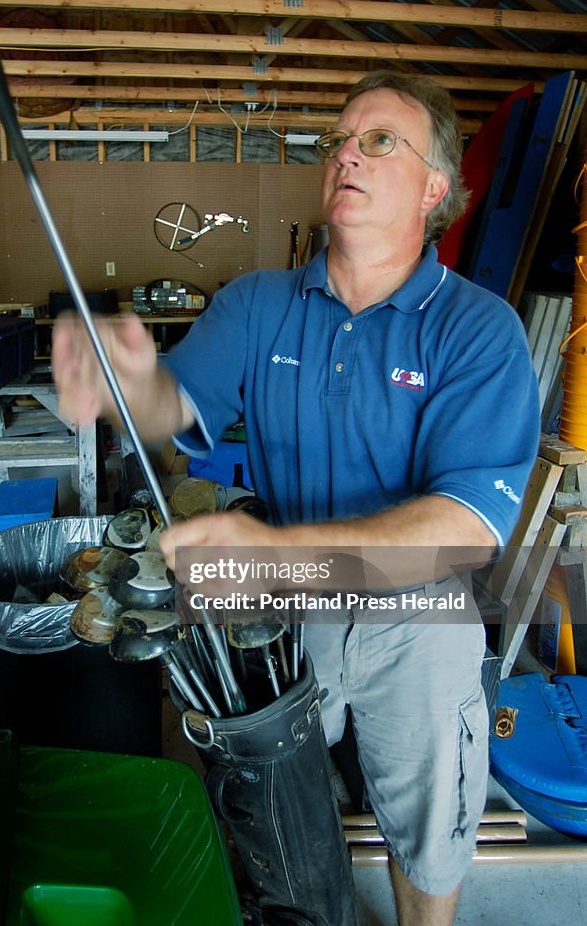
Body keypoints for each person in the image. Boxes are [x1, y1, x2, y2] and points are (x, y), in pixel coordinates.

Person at [52, 70, 539, 926]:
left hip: (412, 613)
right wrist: (135, 386)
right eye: (339, 140)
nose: (347, 153)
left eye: (378, 140)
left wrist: (273, 556)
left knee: (429, 821)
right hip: (279, 609)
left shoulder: (475, 328)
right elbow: (179, 407)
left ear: (435, 189)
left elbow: (464, 530)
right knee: (265, 807)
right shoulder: (256, 303)